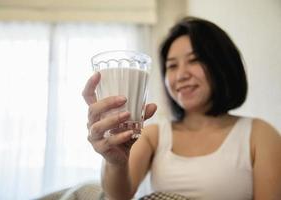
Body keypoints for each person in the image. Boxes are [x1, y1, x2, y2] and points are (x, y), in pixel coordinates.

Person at [82, 17, 281, 200]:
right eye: (172, 66)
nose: (181, 75)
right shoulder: (153, 135)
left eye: (194, 60)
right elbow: (118, 197)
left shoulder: (259, 134)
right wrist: (115, 161)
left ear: (223, 65)